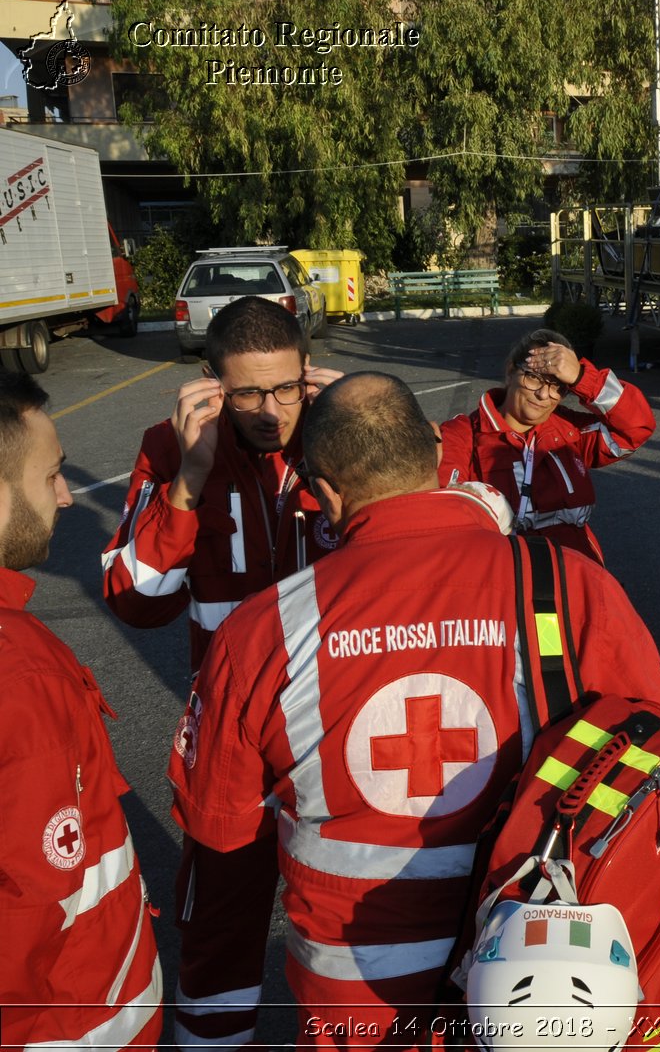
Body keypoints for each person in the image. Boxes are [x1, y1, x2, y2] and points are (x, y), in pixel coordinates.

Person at [170, 373, 660, 1050]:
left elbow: (226, 870)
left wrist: (212, 1036)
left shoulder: (261, 631)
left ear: (323, 490)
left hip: (355, 1018)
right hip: (540, 1006)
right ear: (434, 455)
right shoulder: (567, 584)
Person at [101, 294, 342, 1047]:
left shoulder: (342, 429)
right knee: (220, 927)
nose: (272, 411)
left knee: (356, 918)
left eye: (287, 388)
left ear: (310, 371)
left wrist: (357, 432)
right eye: (247, 392)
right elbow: (137, 601)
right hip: (234, 742)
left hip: (341, 727)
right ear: (209, 383)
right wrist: (189, 480)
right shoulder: (175, 446)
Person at [0, 370, 163, 1049]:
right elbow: (31, 903)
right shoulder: (21, 675)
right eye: (51, 476)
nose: (66, 498)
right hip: (76, 1020)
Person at [438, 328, 654, 564]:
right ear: (511, 371)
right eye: (534, 378)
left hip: (575, 577)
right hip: (504, 580)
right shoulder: (460, 435)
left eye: (558, 386)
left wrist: (583, 378)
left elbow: (636, 427)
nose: (543, 394)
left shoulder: (571, 430)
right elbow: (442, 522)